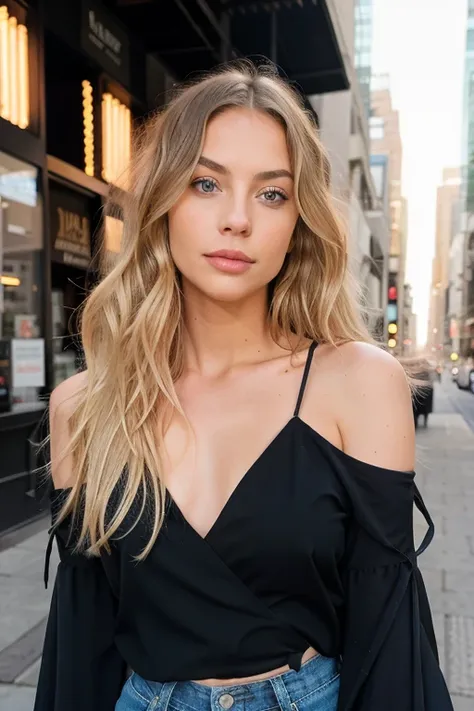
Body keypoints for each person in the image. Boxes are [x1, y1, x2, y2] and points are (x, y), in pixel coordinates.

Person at [34, 62, 453, 711]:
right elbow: (82, 646)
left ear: (297, 222)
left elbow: (390, 638)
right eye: (206, 183)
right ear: (163, 201)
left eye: (271, 193)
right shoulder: (84, 407)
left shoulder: (357, 384)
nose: (237, 219)